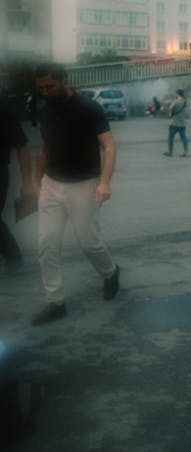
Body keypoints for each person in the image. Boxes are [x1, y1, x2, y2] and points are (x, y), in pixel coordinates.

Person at [32, 63, 120, 325]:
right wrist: (37, 183)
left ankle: (110, 272)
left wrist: (104, 182)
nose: (45, 91)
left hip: (84, 185)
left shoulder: (88, 109)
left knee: (88, 242)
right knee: (46, 244)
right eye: (41, 88)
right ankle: (55, 301)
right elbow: (45, 149)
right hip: (51, 184)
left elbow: (109, 145)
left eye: (49, 86)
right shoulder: (45, 111)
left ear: (64, 80)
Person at [0, 98, 34, 273]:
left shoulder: (3, 109)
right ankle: (12, 255)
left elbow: (22, 146)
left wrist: (27, 182)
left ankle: (13, 256)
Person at [164, 89, 189, 158]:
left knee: (171, 138)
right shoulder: (185, 102)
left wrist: (166, 106)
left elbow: (169, 110)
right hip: (182, 123)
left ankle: (170, 152)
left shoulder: (175, 101)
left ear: (177, 94)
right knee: (184, 138)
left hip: (174, 123)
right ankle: (186, 152)